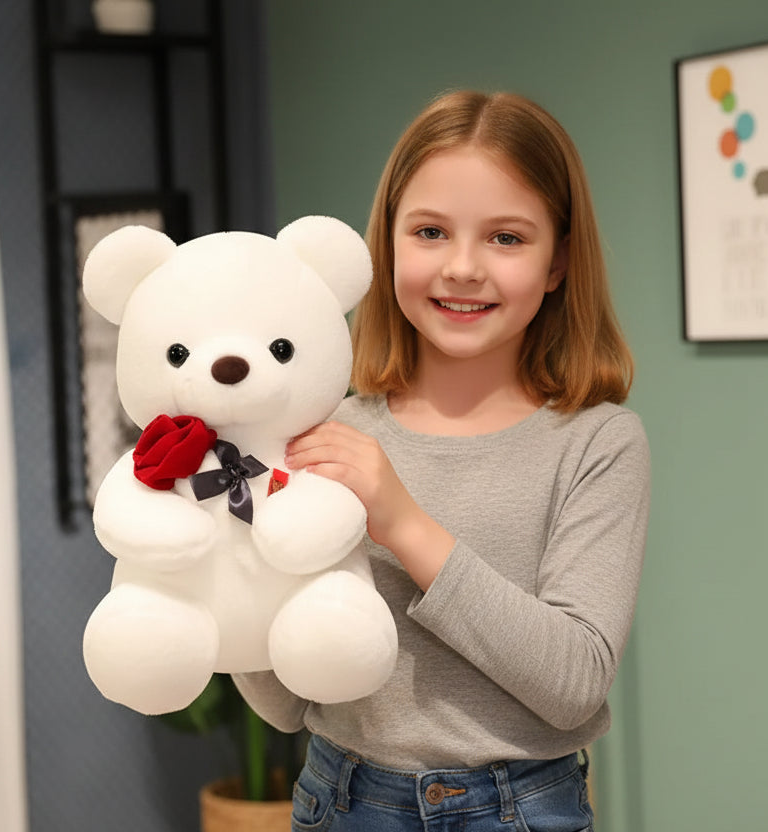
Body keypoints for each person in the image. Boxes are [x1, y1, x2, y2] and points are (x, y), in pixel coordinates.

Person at [233, 89, 650, 832]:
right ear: (387, 245)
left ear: (558, 262)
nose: (462, 267)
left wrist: (401, 521)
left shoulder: (598, 443)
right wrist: (226, 557)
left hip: (520, 811)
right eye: (430, 231)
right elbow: (288, 704)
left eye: (507, 238)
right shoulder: (322, 435)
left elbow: (574, 683)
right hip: (341, 802)